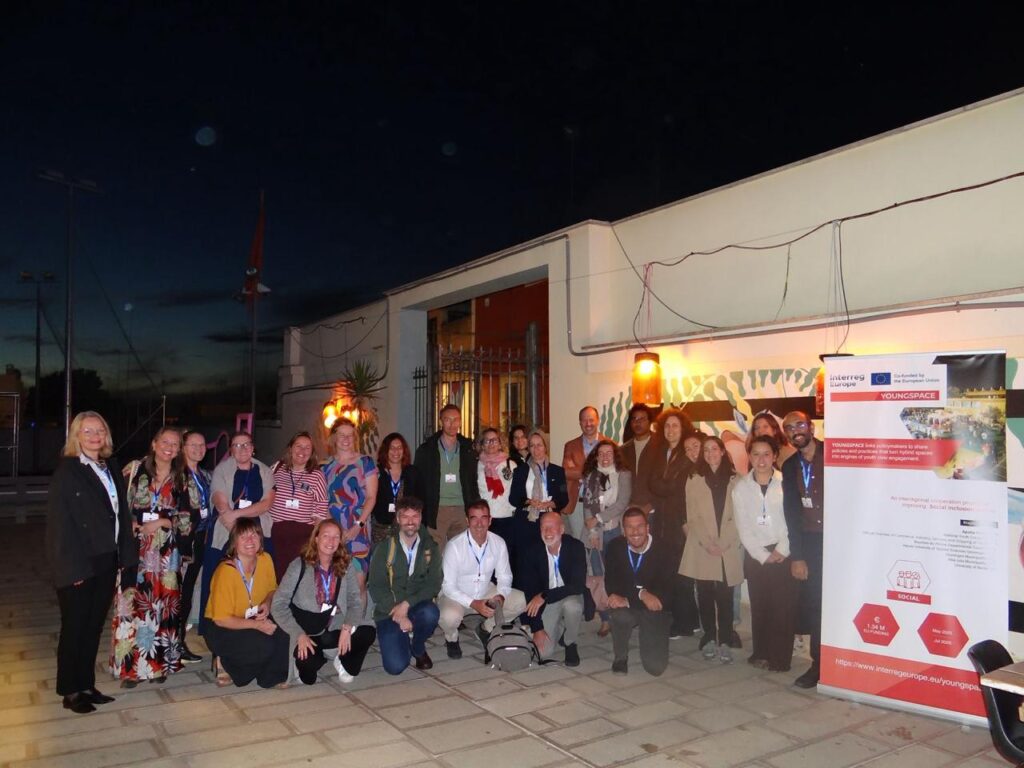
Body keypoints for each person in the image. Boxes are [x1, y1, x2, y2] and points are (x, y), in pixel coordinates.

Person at [46, 411, 138, 714]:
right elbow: (59, 526)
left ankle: (86, 685)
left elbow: (119, 514)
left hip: (106, 558)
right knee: (74, 627)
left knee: (92, 627)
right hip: (79, 562)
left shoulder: (109, 466)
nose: (95, 436)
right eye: (87, 431)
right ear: (76, 436)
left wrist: (125, 556)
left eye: (99, 430)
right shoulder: (68, 472)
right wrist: (68, 569)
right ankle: (69, 690)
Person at [111, 426, 197, 687]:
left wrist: (162, 522)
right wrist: (130, 524)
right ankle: (131, 668)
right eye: (165, 442)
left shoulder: (183, 477)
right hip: (135, 548)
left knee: (162, 607)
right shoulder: (134, 470)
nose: (169, 447)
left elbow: (189, 516)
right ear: (154, 443)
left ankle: (158, 666)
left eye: (175, 444)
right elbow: (115, 504)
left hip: (165, 552)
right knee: (132, 605)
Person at [272, 519, 376, 685]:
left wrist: (348, 627)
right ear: (316, 538)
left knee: (367, 632)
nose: (331, 541)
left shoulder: (345, 565)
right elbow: (278, 605)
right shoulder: (299, 566)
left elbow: (354, 600)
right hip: (308, 630)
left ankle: (343, 661)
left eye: (336, 537)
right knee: (308, 677)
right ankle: (317, 658)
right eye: (326, 536)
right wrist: (298, 634)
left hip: (334, 625)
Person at [200, 431, 276, 636]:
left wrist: (238, 516)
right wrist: (236, 531)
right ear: (231, 450)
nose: (242, 449)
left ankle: (258, 621)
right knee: (219, 577)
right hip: (227, 528)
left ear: (253, 448)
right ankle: (214, 629)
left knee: (261, 576)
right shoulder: (222, 469)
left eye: (246, 444)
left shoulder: (264, 470)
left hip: (256, 529)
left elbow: (266, 503)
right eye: (236, 445)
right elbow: (219, 500)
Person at [733, 435, 796, 672]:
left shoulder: (786, 483)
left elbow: (793, 520)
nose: (761, 459)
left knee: (783, 608)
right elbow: (743, 527)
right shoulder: (741, 488)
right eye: (756, 454)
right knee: (760, 606)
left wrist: (782, 550)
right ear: (749, 457)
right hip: (756, 555)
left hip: (783, 552)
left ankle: (780, 660)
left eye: (766, 454)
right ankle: (761, 653)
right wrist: (761, 555)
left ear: (775, 456)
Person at [204, 517, 289, 688]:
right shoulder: (226, 572)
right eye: (243, 537)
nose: (250, 540)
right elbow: (221, 619)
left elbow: (273, 589)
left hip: (253, 617)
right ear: (234, 542)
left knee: (284, 633)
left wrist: (267, 602)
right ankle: (225, 662)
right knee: (263, 645)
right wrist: (258, 626)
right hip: (224, 627)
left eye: (254, 535)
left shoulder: (265, 559)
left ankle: (269, 677)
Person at [681, 436, 744, 663]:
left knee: (726, 595)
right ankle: (708, 636)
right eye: (706, 450)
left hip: (728, 545)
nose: (710, 454)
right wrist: (708, 542)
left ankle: (725, 639)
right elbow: (692, 516)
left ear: (722, 451)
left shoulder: (737, 480)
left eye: (714, 449)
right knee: (705, 594)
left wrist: (724, 542)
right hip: (703, 546)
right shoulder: (694, 479)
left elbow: (741, 516)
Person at [439, 500, 527, 661]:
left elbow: (505, 576)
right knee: (449, 617)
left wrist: (501, 595)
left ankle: (486, 628)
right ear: (467, 521)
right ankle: (451, 638)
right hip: (456, 596)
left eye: (484, 518)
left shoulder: (498, 542)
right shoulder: (455, 546)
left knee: (521, 601)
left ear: (490, 520)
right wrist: (474, 603)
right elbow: (449, 587)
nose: (479, 524)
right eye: (474, 518)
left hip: (485, 592)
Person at [367, 497, 442, 674]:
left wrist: (407, 604)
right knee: (396, 667)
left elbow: (434, 584)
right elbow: (376, 586)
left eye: (415, 516)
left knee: (431, 613)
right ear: (398, 519)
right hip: (388, 611)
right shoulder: (384, 548)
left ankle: (418, 647)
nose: (410, 521)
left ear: (421, 518)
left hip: (416, 606)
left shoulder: (430, 547)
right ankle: (402, 636)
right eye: (405, 516)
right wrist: (398, 614)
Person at [781, 411, 825, 689]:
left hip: (842, 540)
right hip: (810, 543)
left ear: (811, 427)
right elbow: (792, 512)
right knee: (816, 604)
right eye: (789, 428)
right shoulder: (789, 466)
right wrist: (797, 555)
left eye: (799, 425)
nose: (795, 431)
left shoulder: (835, 454)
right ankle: (818, 665)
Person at [646, 409, 699, 637]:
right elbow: (652, 483)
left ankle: (685, 623)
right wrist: (664, 485)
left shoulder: (687, 452)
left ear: (683, 428)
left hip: (681, 521)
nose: (670, 430)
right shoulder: (660, 451)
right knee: (670, 571)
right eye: (667, 425)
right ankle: (687, 620)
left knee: (681, 574)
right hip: (663, 521)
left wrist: (663, 484)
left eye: (675, 425)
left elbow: (675, 487)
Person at [604, 507, 674, 676]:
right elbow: (612, 584)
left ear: (648, 527)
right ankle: (620, 657)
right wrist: (642, 594)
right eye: (630, 527)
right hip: (630, 606)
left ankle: (651, 636)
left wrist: (633, 596)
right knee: (619, 613)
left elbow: (665, 593)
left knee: (655, 668)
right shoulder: (615, 547)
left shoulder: (665, 549)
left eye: (640, 526)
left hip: (655, 611)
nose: (635, 532)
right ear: (623, 531)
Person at [581, 439, 632, 638]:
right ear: (596, 456)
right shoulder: (590, 476)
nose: (605, 457)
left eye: (609, 453)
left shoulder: (623, 474)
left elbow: (622, 503)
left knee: (617, 574)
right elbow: (587, 506)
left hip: (615, 530)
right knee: (598, 575)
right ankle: (604, 618)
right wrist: (593, 531)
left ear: (615, 455)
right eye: (601, 453)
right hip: (595, 534)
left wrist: (599, 519)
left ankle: (619, 615)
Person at [520, 511, 586, 665]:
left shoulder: (575, 547)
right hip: (548, 603)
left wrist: (545, 595)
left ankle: (570, 643)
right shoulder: (532, 551)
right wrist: (537, 628)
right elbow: (530, 593)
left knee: (573, 607)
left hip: (569, 595)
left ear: (562, 529)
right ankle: (560, 628)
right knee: (543, 653)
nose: (548, 531)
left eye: (552, 527)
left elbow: (577, 586)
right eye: (544, 527)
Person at [413, 404, 480, 548]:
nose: (452, 424)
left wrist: (473, 507)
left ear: (460, 422)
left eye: (456, 419)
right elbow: (418, 482)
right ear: (441, 421)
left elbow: (473, 481)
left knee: (460, 552)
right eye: (447, 419)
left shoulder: (468, 449)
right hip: (436, 509)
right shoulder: (427, 450)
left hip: (461, 508)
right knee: (435, 552)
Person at [268, 432, 329, 582]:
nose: (302, 451)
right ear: (290, 448)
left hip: (302, 536)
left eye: (307, 448)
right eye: (298, 446)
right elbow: (264, 493)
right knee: (274, 576)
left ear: (312, 452)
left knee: (297, 578)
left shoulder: (317, 475)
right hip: (275, 532)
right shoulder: (277, 468)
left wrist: (315, 540)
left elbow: (321, 509)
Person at [509, 430, 569, 580]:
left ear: (546, 447)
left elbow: (564, 498)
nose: (536, 449)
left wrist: (550, 503)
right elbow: (513, 498)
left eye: (539, 445)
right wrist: (529, 501)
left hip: (549, 519)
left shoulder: (557, 471)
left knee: (547, 559)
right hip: (527, 520)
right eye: (532, 446)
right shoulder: (520, 471)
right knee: (526, 561)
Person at [323, 419, 378, 576]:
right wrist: (335, 528)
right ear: (334, 437)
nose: (346, 439)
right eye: (342, 435)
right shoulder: (325, 466)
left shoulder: (365, 462)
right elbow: (322, 501)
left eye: (350, 435)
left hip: (359, 527)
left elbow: (371, 497)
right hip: (332, 529)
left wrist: (358, 526)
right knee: (333, 578)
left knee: (358, 580)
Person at [179, 430, 211, 663]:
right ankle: (172, 644)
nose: (198, 449)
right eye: (193, 444)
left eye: (202, 445)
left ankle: (179, 642)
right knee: (177, 593)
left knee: (187, 593)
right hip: (181, 541)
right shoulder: (177, 475)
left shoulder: (204, 475)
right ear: (183, 447)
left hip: (199, 539)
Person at [561, 406, 612, 540]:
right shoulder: (570, 446)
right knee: (579, 541)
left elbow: (612, 473)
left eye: (591, 419)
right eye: (584, 420)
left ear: (598, 420)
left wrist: (578, 470)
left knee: (599, 541)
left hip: (601, 503)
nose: (588, 423)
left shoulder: (610, 444)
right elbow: (566, 472)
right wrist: (595, 469)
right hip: (577, 502)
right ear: (580, 423)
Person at [372, 432, 426, 549]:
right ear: (385, 450)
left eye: (399, 447)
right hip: (380, 530)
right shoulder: (376, 472)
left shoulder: (413, 472)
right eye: (392, 448)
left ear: (404, 450)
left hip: (406, 529)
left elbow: (421, 501)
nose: (396, 451)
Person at [476, 427, 519, 551]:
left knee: (506, 554)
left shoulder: (511, 465)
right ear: (482, 445)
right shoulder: (476, 465)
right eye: (487, 441)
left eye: (494, 440)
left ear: (500, 444)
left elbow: (517, 491)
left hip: (507, 518)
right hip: (485, 519)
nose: (491, 443)